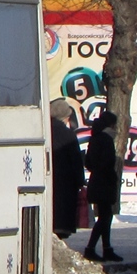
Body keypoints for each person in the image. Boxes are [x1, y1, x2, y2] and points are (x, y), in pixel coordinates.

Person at [83, 111, 123, 262]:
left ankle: (107, 248)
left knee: (105, 216)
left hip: (97, 181)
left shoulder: (95, 138)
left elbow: (88, 162)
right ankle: (91, 248)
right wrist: (111, 176)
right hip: (103, 183)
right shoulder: (105, 139)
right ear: (110, 125)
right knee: (105, 218)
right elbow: (106, 163)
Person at [50, 98, 85, 239]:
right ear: (65, 117)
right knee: (62, 220)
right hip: (65, 184)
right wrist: (80, 181)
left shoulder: (43, 131)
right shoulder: (68, 134)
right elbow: (75, 160)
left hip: (48, 182)